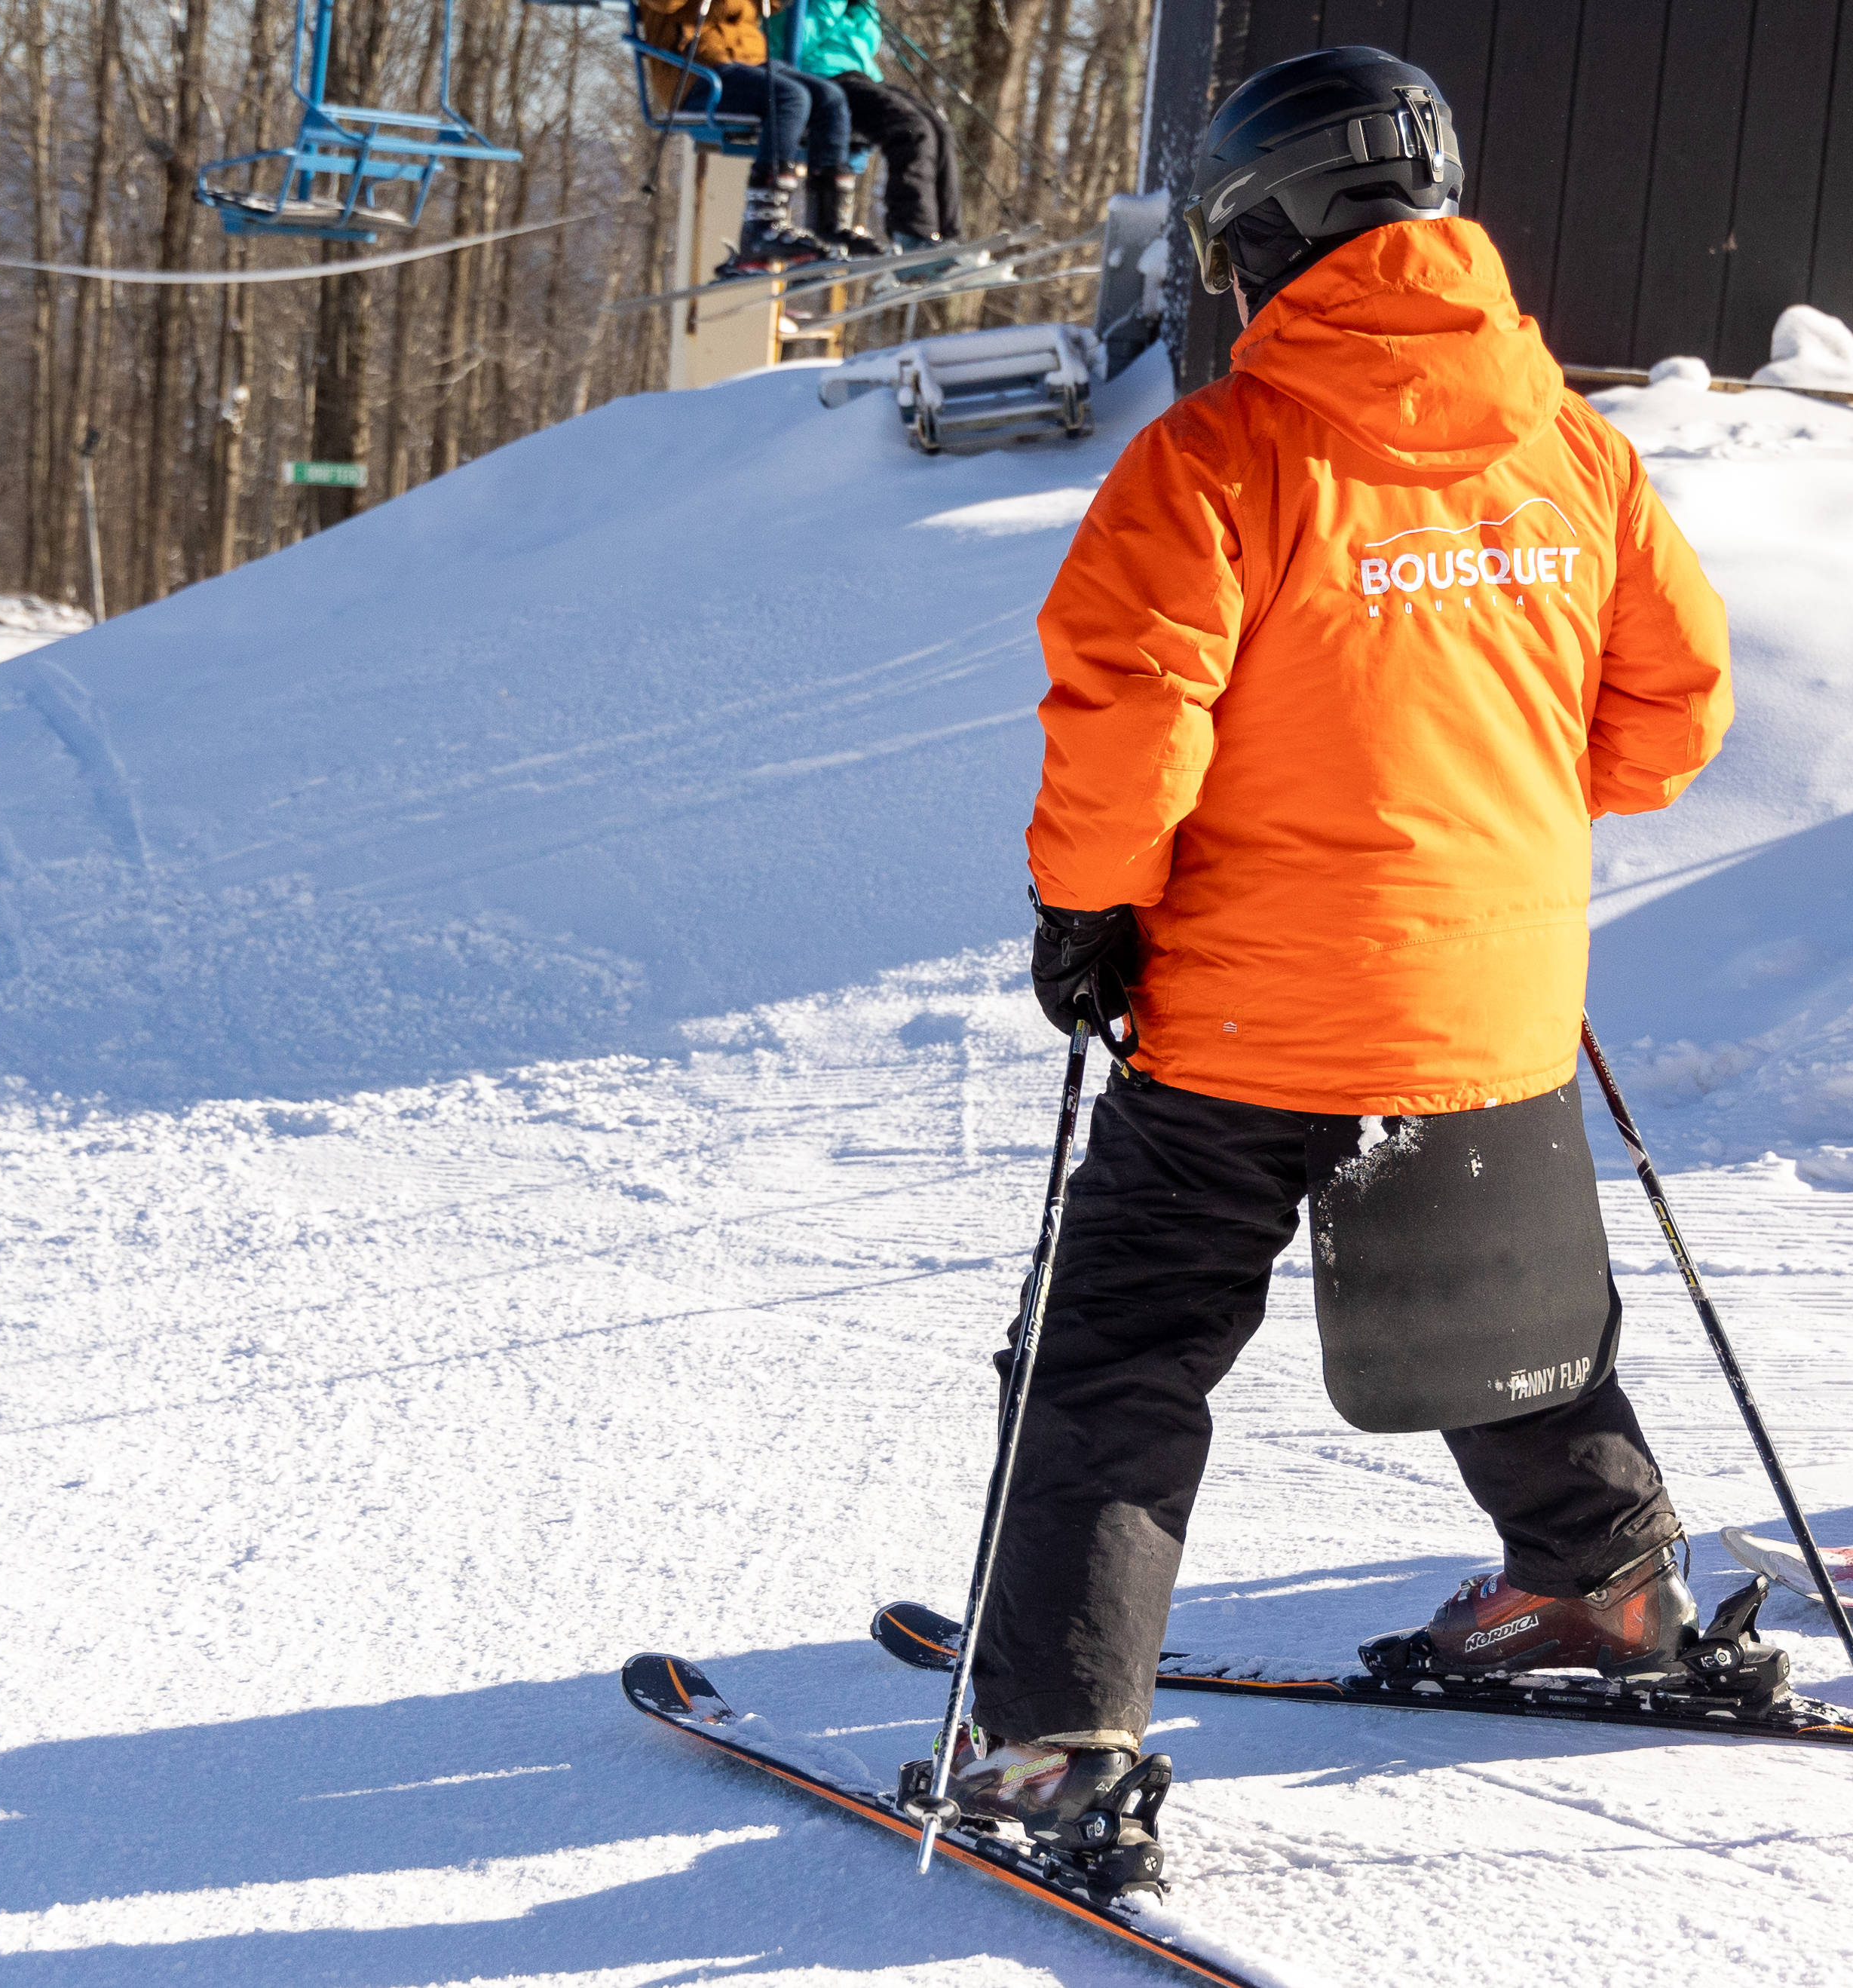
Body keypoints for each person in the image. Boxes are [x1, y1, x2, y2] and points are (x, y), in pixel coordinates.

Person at [951, 45, 1733, 1889]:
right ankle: (1601, 1591)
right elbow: (1670, 717)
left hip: (1246, 1013)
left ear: (1261, 238)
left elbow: (1130, 715)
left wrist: (1089, 909)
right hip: (1488, 1004)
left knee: (1119, 1356)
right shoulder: (1575, 446)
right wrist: (1506, 822)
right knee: (1504, 1315)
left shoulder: (1218, 457)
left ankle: (1056, 1737)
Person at [632, 0, 851, 273]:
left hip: (749, 62)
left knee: (831, 98)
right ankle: (761, 227)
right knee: (790, 98)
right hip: (695, 69)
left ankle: (829, 227)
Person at [776, 0, 960, 259]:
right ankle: (912, 235)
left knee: (940, 130)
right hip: (817, 78)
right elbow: (797, 37)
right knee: (910, 130)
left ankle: (946, 237)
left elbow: (862, 41)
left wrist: (862, 10)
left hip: (857, 76)